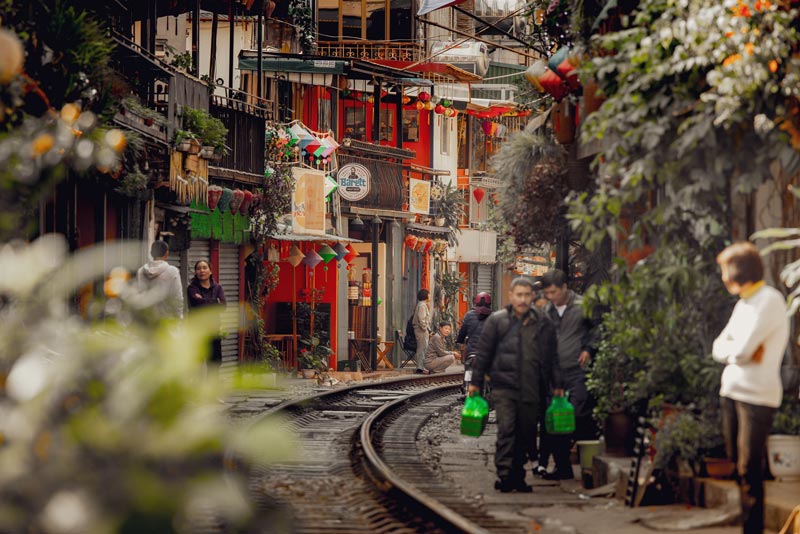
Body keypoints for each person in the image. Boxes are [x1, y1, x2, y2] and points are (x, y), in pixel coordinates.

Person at [713, 242, 788, 534]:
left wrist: (738, 351)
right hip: (731, 392)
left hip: (757, 397)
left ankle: (752, 530)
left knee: (749, 470)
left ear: (738, 271)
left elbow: (742, 350)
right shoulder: (743, 303)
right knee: (736, 466)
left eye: (724, 270)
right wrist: (738, 351)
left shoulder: (769, 300)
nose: (722, 277)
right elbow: (719, 347)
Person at [469, 276, 562, 493]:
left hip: (532, 387)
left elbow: (552, 356)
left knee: (526, 433)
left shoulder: (543, 322)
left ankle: (517, 476)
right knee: (507, 429)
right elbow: (484, 353)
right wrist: (476, 382)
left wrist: (558, 384)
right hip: (504, 386)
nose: (522, 299)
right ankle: (504, 474)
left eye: (526, 295)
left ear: (532, 297)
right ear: (511, 296)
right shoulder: (497, 321)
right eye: (518, 295)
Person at [538, 269, 598, 481]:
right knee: (556, 419)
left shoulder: (582, 306)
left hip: (577, 370)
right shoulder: (546, 310)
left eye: (554, 292)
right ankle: (562, 467)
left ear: (564, 288)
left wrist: (589, 349)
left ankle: (586, 462)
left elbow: (597, 330)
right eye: (547, 293)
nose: (551, 296)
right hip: (555, 374)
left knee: (579, 413)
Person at [187, 259, 227, 363]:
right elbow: (197, 305)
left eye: (205, 268)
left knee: (214, 364)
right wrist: (215, 302)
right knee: (196, 365)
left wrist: (202, 300)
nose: (202, 271)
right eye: (198, 268)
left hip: (213, 331)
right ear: (195, 272)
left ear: (210, 271)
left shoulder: (217, 288)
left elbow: (223, 306)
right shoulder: (192, 288)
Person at [136, 240, 184, 319]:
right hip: (166, 320)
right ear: (167, 253)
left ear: (151, 253)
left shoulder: (140, 271)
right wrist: (179, 318)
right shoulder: (173, 271)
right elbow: (177, 297)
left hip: (146, 319)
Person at [456, 292, 493, 358]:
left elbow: (462, 332)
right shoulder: (494, 316)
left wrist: (459, 340)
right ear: (489, 303)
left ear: (476, 302)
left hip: (471, 351)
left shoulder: (469, 315)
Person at [413, 288, 431, 375]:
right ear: (425, 295)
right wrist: (425, 328)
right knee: (422, 348)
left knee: (423, 348)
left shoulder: (421, 305)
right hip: (421, 330)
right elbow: (422, 319)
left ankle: (421, 367)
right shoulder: (422, 305)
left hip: (421, 330)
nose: (429, 296)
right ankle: (420, 368)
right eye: (428, 294)